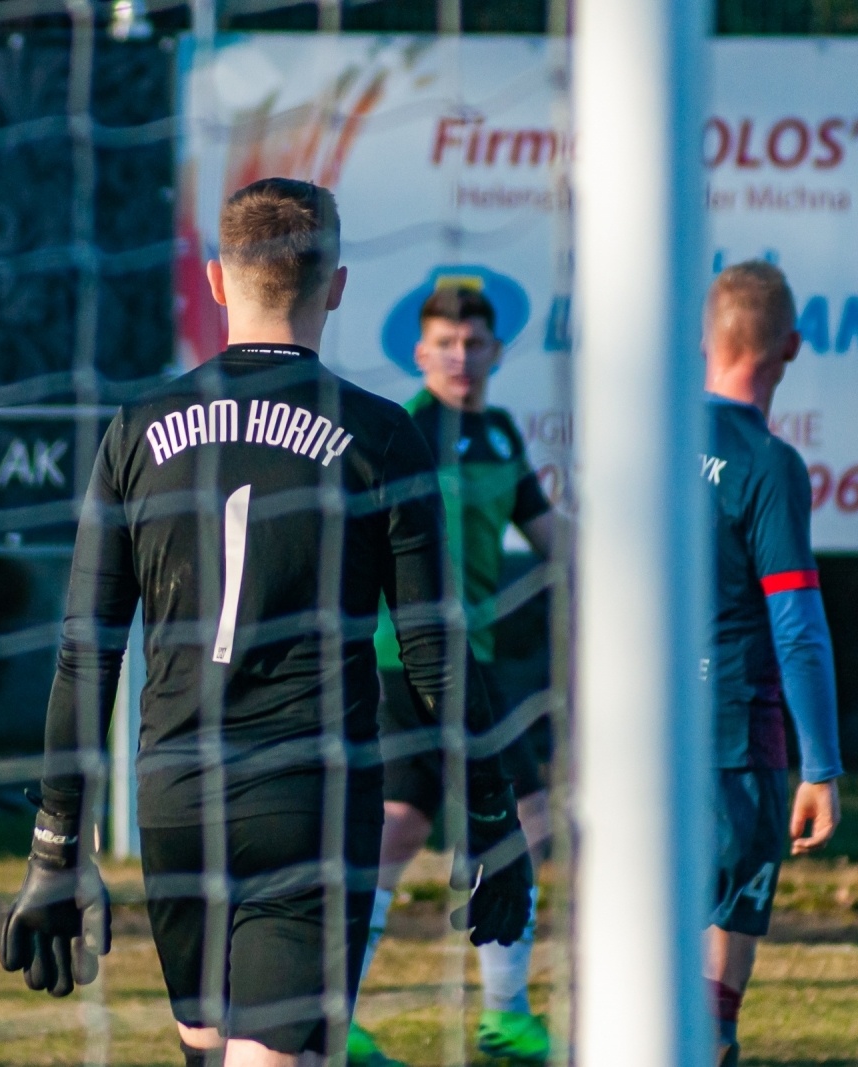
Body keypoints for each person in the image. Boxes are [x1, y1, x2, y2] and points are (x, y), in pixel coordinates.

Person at [0, 177, 534, 1067]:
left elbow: (85, 652)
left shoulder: (136, 430)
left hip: (175, 797)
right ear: (338, 286)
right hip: (309, 800)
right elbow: (437, 649)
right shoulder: (380, 435)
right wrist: (491, 815)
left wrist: (56, 843)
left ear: (215, 281)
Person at [347, 286, 557, 1067]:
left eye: (475, 343)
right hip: (405, 657)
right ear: (420, 352)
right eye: (447, 343)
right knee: (417, 826)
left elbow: (548, 537)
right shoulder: (405, 429)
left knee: (493, 822)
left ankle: (504, 1015)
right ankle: (346, 1016)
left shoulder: (500, 432)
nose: (462, 357)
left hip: (480, 664)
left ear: (496, 351)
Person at [702, 261, 843, 1067]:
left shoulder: (648, 435)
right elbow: (797, 625)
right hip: (730, 732)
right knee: (722, 925)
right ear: (790, 344)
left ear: (706, 340)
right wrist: (820, 764)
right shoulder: (768, 462)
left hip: (638, 728)